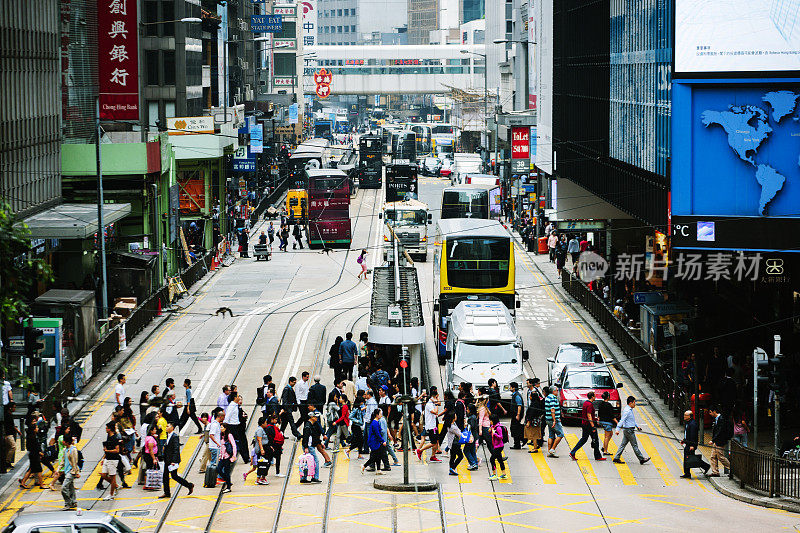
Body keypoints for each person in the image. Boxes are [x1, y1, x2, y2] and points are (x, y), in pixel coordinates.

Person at [159, 422, 194, 498]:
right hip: (167, 460)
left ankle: (189, 485)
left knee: (174, 476)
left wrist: (174, 461)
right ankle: (167, 493)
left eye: (168, 426)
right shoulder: (168, 436)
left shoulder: (174, 436)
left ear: (172, 428)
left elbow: (176, 449)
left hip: (172, 461)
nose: (166, 427)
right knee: (165, 476)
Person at [612, 396, 651, 465]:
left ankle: (616, 457)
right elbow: (622, 420)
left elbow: (632, 420)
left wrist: (637, 426)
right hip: (629, 430)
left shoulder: (629, 409)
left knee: (623, 444)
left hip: (628, 430)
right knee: (635, 445)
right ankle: (641, 459)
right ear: (630, 403)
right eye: (634, 402)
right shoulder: (627, 411)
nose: (635, 404)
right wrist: (617, 429)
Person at [569, 391, 605, 461]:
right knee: (595, 440)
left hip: (584, 424)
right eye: (594, 396)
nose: (595, 397)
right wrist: (593, 426)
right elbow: (589, 415)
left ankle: (572, 452)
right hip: (589, 425)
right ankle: (597, 456)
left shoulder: (585, 403)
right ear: (592, 397)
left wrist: (595, 418)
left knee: (584, 439)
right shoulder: (590, 405)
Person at [680, 410, 710, 479]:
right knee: (690, 458)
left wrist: (692, 445)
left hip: (691, 445)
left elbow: (693, 436)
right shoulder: (688, 422)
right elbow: (687, 434)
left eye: (685, 415)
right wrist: (684, 440)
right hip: (688, 443)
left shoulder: (693, 424)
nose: (684, 416)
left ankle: (688, 473)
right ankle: (704, 467)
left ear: (689, 416)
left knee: (689, 458)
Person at [416, 387, 442, 462]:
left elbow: (439, 403)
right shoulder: (429, 404)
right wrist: (436, 404)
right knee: (433, 442)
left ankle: (433, 456)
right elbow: (435, 412)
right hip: (431, 426)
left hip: (434, 425)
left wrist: (437, 401)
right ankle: (420, 450)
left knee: (436, 441)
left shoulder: (433, 402)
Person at [361, 409, 388, 474]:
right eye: (380, 413)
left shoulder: (375, 422)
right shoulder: (375, 423)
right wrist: (382, 441)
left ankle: (378, 470)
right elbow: (377, 433)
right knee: (374, 457)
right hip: (374, 442)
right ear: (377, 415)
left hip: (375, 442)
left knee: (378, 456)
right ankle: (364, 466)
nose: (381, 415)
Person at [98, 422, 121, 500]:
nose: (105, 429)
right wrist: (104, 457)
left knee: (112, 476)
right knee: (103, 475)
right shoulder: (108, 436)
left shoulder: (115, 438)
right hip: (107, 459)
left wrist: (108, 451)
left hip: (113, 460)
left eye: (106, 428)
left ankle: (111, 494)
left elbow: (117, 450)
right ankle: (115, 485)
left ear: (110, 429)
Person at [708, 405, 731, 477]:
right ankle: (715, 472)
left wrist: (713, 440)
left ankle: (733, 469)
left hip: (720, 441)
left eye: (710, 412)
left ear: (714, 411)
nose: (710, 414)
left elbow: (720, 431)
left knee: (720, 457)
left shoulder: (722, 419)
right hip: (716, 441)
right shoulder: (717, 419)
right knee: (713, 456)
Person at [301, 412, 323, 483]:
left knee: (307, 462)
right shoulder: (308, 426)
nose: (316, 418)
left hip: (309, 446)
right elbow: (305, 437)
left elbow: (314, 436)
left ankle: (304, 478)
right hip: (309, 446)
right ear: (311, 417)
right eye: (315, 417)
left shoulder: (312, 425)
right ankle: (315, 477)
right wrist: (306, 447)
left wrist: (320, 443)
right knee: (315, 461)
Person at [60, 434, 80, 510]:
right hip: (66, 471)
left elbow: (75, 462)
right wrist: (58, 470)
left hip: (71, 472)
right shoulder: (65, 450)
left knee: (63, 488)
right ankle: (74, 502)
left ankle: (67, 503)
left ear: (65, 442)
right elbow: (63, 461)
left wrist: (76, 472)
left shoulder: (73, 450)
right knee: (71, 487)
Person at [524, 378, 544, 453]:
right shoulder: (537, 404)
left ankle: (535, 448)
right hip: (537, 420)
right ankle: (535, 445)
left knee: (534, 434)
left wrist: (529, 421)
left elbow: (531, 414)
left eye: (530, 396)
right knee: (535, 434)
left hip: (534, 421)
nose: (529, 397)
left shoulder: (533, 405)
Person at [545, 385, 564, 457]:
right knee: (560, 434)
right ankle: (552, 449)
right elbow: (552, 409)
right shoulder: (553, 398)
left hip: (548, 419)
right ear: (553, 391)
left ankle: (549, 452)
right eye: (556, 390)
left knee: (551, 435)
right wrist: (554, 420)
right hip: (553, 419)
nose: (557, 392)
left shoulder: (548, 397)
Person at [487, 414, 508, 481]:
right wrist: (490, 432)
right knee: (500, 460)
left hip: (499, 446)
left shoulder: (498, 428)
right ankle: (504, 474)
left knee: (492, 459)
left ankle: (494, 474)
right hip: (496, 446)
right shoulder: (493, 426)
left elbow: (500, 437)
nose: (490, 422)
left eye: (490, 420)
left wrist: (494, 433)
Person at [217, 424, 237, 493]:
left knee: (226, 471)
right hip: (222, 457)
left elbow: (234, 445)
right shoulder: (222, 436)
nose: (220, 428)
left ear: (225, 428)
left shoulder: (229, 435)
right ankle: (228, 482)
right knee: (218, 469)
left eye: (222, 427)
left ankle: (228, 487)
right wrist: (220, 455)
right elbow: (221, 447)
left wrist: (234, 456)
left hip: (227, 457)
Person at [598, 391, 617, 456]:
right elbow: (612, 416)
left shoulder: (601, 404)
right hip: (607, 423)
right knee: (607, 436)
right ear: (608, 397)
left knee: (610, 433)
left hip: (602, 421)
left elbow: (599, 413)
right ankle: (605, 451)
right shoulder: (609, 405)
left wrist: (598, 419)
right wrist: (617, 423)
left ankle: (604, 447)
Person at [509, 382, 525, 449]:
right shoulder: (514, 395)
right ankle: (518, 443)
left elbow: (519, 406)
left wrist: (518, 415)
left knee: (515, 429)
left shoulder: (517, 396)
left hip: (516, 415)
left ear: (513, 388)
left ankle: (521, 441)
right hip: (514, 415)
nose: (510, 388)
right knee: (515, 429)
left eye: (510, 387)